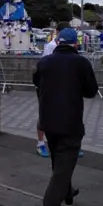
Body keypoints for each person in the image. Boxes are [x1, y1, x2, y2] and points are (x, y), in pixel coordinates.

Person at [33, 28, 99, 206]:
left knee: (59, 160)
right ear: (75, 44)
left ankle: (67, 192)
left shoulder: (44, 61)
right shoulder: (81, 62)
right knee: (64, 163)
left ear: (57, 42)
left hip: (48, 120)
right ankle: (51, 205)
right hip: (70, 121)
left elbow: (36, 81)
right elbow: (91, 91)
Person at [36, 21, 69, 157]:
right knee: (45, 115)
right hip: (48, 86)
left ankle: (65, 143)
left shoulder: (70, 46)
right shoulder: (50, 46)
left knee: (65, 115)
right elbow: (43, 65)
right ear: (58, 32)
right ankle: (40, 143)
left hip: (64, 86)